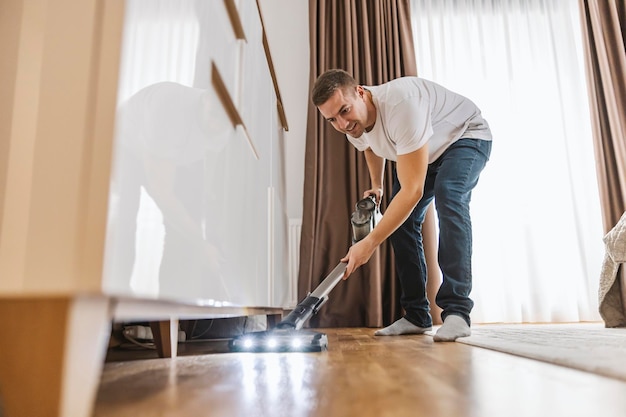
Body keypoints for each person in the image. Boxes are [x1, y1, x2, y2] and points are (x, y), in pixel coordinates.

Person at [311, 69, 492, 342]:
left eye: (344, 111)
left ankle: (457, 312)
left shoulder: (400, 104)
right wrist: (378, 184)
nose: (342, 123)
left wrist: (369, 243)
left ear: (360, 92)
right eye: (332, 119)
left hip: (465, 136)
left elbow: (412, 191)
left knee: (449, 196)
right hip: (428, 150)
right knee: (402, 222)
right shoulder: (351, 123)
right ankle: (417, 316)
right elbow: (368, 145)